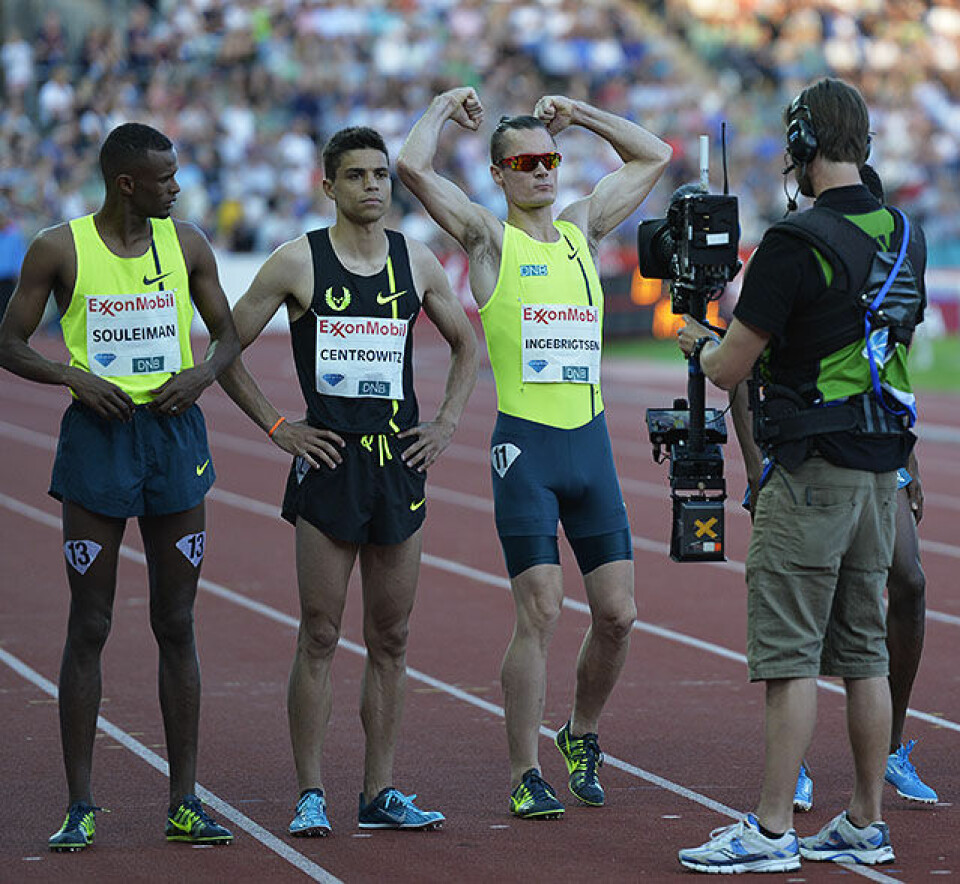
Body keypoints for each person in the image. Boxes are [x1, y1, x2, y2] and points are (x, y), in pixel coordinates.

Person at [397, 87, 671, 819]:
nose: (542, 171)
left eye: (549, 160)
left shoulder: (582, 226)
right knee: (541, 610)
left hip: (590, 445)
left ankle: (579, 733)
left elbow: (655, 154)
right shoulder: (490, 239)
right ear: (500, 175)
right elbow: (413, 167)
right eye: (524, 162)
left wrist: (580, 115)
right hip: (527, 449)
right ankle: (525, 771)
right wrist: (441, 106)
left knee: (619, 615)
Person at [675, 78, 925, 873]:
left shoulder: (794, 240)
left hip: (811, 467)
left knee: (788, 658)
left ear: (803, 144)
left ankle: (773, 828)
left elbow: (730, 368)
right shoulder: (905, 232)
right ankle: (863, 820)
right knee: (865, 655)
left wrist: (697, 342)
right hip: (879, 471)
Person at [218, 125, 478, 836]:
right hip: (329, 463)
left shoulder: (416, 260)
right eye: (357, 175)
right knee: (321, 632)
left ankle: (380, 790)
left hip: (397, 464)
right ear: (327, 186)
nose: (373, 186)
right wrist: (279, 427)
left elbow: (467, 344)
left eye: (381, 175)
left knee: (391, 637)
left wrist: (448, 421)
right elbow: (222, 348)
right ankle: (310, 793)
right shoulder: (295, 262)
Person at [0, 123, 240, 850]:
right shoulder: (58, 247)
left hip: (173, 439)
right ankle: (80, 805)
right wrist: (72, 375)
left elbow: (228, 334)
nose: (177, 188)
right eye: (165, 179)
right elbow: (7, 341)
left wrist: (200, 375)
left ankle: (185, 801)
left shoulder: (188, 243)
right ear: (126, 183)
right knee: (91, 624)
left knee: (177, 620)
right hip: (98, 441)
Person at [732, 163, 937, 815]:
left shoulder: (884, 272)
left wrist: (911, 462)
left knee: (907, 583)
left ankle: (890, 754)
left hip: (878, 451)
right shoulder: (800, 256)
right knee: (808, 607)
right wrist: (753, 467)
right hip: (805, 449)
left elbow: (892, 372)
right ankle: (791, 771)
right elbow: (740, 376)